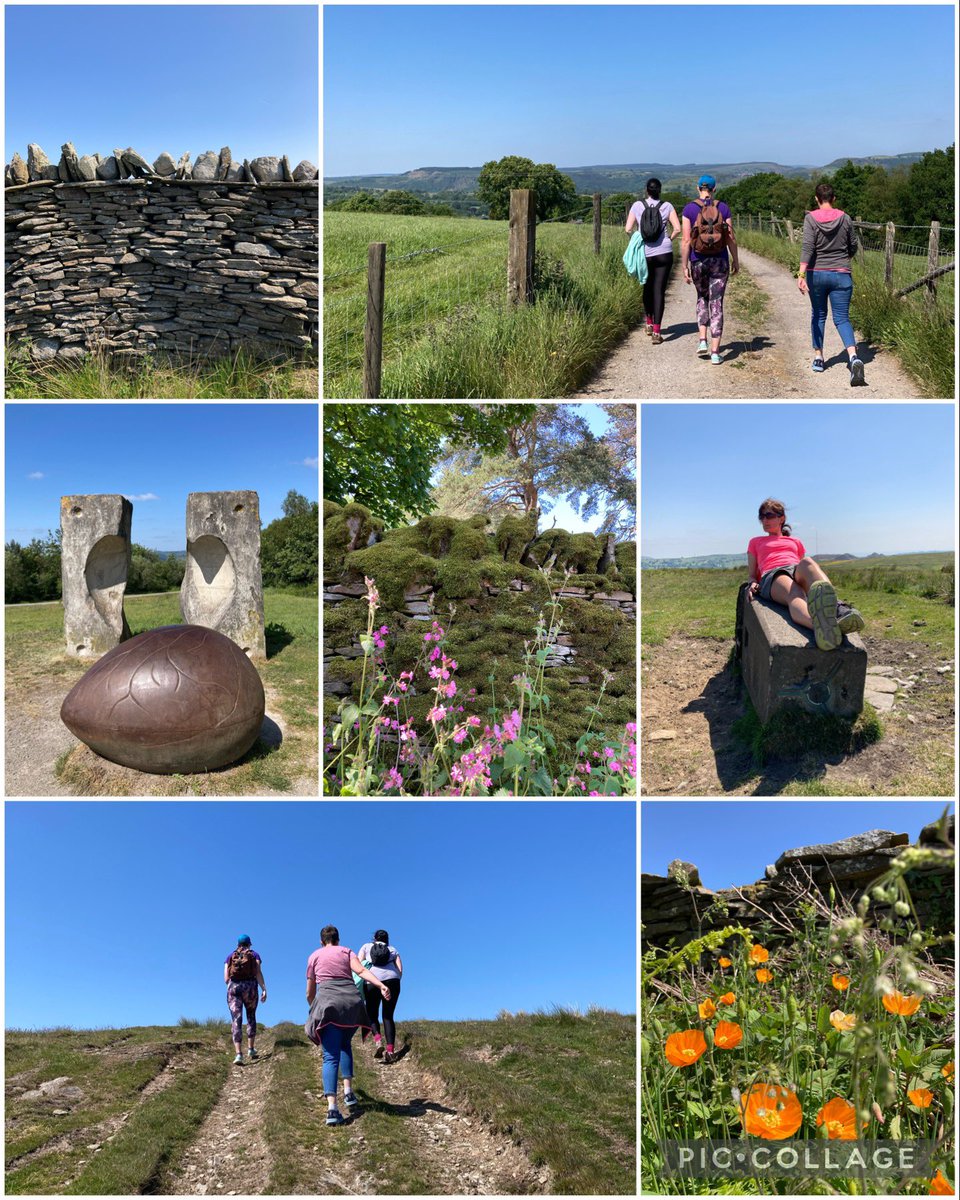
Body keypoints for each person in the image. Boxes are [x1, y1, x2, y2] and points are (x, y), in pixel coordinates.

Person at [746, 498, 863, 651]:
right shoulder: (755, 541)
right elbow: (752, 573)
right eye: (761, 516)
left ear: (781, 518)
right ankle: (822, 628)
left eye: (769, 515)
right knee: (795, 592)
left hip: (794, 568)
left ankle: (838, 610)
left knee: (807, 562)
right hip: (773, 574)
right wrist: (752, 582)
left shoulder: (795, 541)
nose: (764, 520)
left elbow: (801, 566)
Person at [305, 925, 392, 1127]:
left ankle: (333, 1109)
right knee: (345, 1045)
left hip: (329, 1005)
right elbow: (361, 970)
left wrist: (314, 1008)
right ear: (338, 939)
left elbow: (310, 991)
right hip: (352, 1005)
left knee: (330, 1056)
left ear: (321, 941)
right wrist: (381, 985)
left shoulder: (314, 956)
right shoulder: (346, 951)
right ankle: (349, 1093)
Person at [798, 183, 866, 385]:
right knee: (842, 318)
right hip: (841, 274)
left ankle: (819, 358)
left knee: (818, 314)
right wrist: (844, 258)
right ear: (833, 198)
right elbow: (853, 245)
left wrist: (801, 274)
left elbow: (808, 247)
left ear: (817, 199)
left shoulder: (810, 218)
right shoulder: (845, 218)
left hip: (816, 274)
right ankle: (854, 357)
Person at [681, 175, 740, 365]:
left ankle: (702, 341)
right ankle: (716, 352)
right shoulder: (723, 207)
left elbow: (685, 241)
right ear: (714, 189)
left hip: (697, 260)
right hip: (720, 261)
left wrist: (684, 266)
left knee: (702, 298)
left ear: (698, 188)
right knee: (716, 303)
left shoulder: (689, 209)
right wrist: (735, 260)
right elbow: (730, 237)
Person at [625, 178, 681, 344]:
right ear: (660, 191)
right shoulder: (667, 206)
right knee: (659, 290)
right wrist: (668, 239)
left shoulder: (637, 205)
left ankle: (648, 323)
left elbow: (628, 229)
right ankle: (657, 331)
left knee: (647, 287)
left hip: (645, 253)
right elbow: (677, 228)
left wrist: (638, 238)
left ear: (647, 190)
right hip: (664, 252)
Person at [358, 929, 403, 1063]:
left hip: (372, 981)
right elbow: (400, 971)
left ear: (374, 938)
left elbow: (359, 964)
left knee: (372, 1014)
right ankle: (390, 1051)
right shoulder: (393, 949)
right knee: (388, 1016)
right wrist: (393, 979)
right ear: (387, 939)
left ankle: (378, 1040)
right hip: (393, 981)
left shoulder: (366, 947)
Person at [224, 934, 267, 1066]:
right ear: (249, 944)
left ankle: (238, 1054)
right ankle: (251, 1049)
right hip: (250, 988)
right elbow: (258, 972)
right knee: (251, 1016)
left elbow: (226, 978)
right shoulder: (255, 955)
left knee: (236, 1019)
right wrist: (264, 989)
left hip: (234, 988)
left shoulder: (230, 956)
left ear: (238, 944)